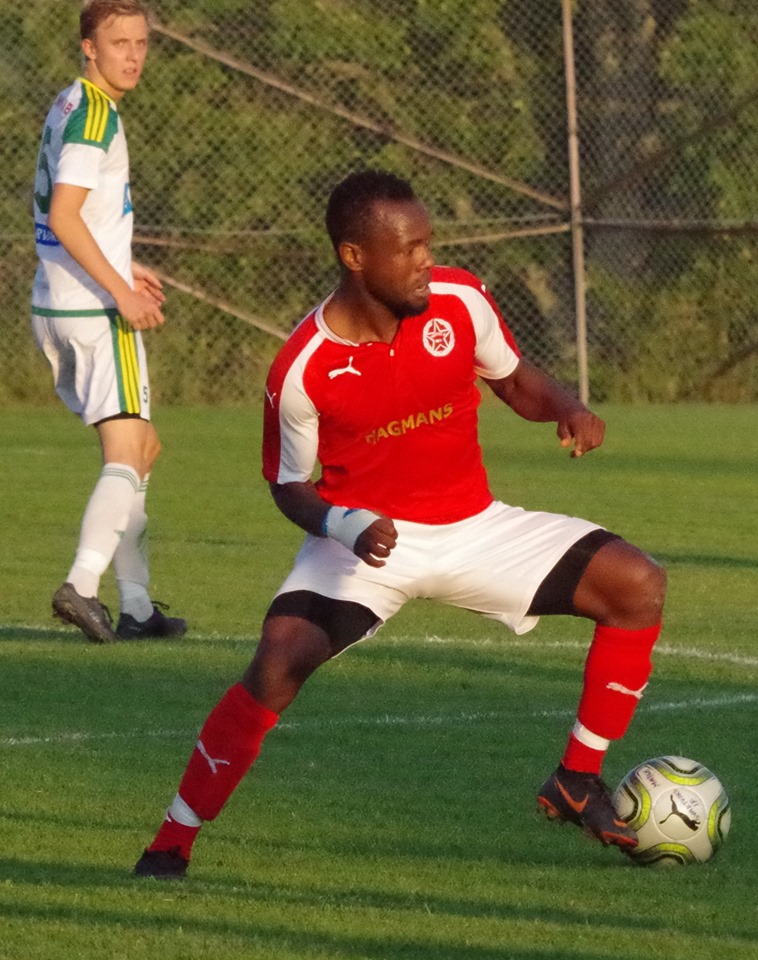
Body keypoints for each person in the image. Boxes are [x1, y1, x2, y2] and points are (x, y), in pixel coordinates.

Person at [133, 170, 666, 880]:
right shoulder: (302, 368)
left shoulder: (459, 301)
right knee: (277, 663)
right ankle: (173, 839)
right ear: (355, 256)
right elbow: (288, 485)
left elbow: (513, 381)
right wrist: (343, 524)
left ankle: (576, 779)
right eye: (408, 248)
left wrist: (566, 407)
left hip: (475, 527)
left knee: (636, 585)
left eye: (427, 243)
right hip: (362, 546)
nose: (425, 259)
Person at [31, 0, 186, 644]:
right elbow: (65, 215)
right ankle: (82, 584)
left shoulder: (71, 102)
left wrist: (125, 263)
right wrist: (120, 289)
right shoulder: (94, 113)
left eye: (141, 42)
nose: (133, 55)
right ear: (89, 47)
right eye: (119, 43)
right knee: (128, 452)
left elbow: (75, 217)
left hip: (60, 301)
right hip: (93, 310)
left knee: (142, 448)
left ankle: (139, 607)